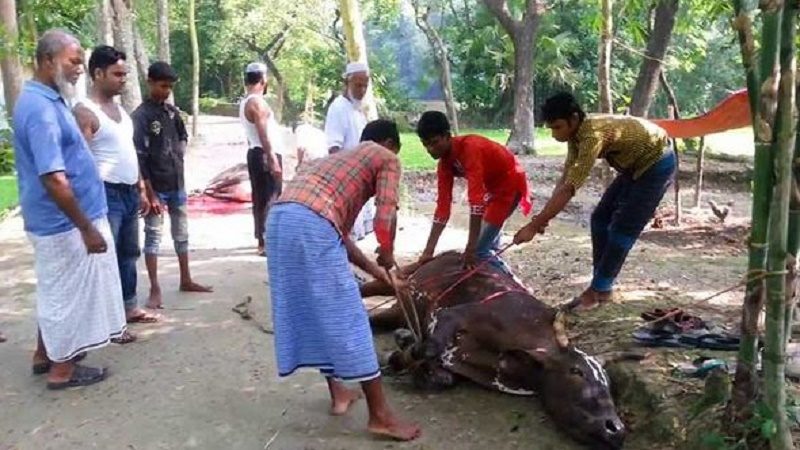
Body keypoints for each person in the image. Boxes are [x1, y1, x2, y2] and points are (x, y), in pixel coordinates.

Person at [265, 119, 421, 441]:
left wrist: (379, 275)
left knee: (316, 309)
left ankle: (339, 394)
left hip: (280, 222)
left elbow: (341, 238)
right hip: (310, 224)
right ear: (389, 143)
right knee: (348, 317)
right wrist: (388, 257)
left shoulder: (329, 164)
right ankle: (380, 416)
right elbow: (386, 213)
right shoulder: (387, 157)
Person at [13, 29, 127, 389]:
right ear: (48, 61)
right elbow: (54, 179)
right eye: (73, 61)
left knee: (56, 288)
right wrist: (86, 228)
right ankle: (63, 369)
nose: (80, 68)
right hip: (63, 223)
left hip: (64, 219)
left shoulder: (50, 98)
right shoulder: (40, 109)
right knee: (68, 294)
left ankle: (44, 354)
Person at [513, 92, 676, 311]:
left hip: (657, 163)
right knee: (600, 219)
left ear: (573, 119)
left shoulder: (591, 137)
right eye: (551, 128)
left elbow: (570, 188)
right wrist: (542, 219)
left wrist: (533, 226)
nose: (554, 135)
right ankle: (601, 286)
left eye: (558, 127)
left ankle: (597, 290)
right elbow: (565, 179)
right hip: (633, 167)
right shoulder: (576, 135)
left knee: (622, 229)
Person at [73, 45, 160, 346]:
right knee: (105, 259)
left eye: (125, 74)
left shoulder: (121, 111)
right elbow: (80, 162)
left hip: (127, 190)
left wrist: (140, 189)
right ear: (98, 74)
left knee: (128, 253)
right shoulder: (85, 111)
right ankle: (111, 324)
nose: (123, 79)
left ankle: (128, 307)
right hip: (104, 193)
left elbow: (128, 152)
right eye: (117, 74)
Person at [132, 61, 212, 309]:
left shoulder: (172, 112)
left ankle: (186, 278)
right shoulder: (140, 116)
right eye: (162, 85)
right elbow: (139, 157)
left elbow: (183, 136)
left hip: (176, 183)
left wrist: (178, 155)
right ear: (150, 82)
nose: (166, 90)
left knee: (182, 234)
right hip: (155, 188)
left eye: (169, 87)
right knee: (153, 236)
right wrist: (148, 192)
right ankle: (155, 288)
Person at [416, 111, 532, 271]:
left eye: (435, 142)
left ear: (447, 136)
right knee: (487, 242)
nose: (430, 149)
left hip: (510, 186)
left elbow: (476, 202)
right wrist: (428, 251)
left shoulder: (471, 148)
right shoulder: (444, 164)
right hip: (492, 190)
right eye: (425, 144)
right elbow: (442, 208)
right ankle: (492, 275)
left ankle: (514, 287)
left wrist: (470, 247)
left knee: (480, 252)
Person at [324, 61, 374, 240]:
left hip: (359, 177)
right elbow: (334, 148)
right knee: (346, 235)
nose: (361, 90)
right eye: (358, 85)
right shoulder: (338, 108)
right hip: (346, 178)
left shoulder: (357, 110)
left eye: (365, 86)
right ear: (347, 83)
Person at [239, 62, 284, 255]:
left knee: (261, 196)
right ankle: (267, 240)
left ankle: (262, 239)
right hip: (264, 152)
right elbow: (263, 132)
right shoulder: (256, 102)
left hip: (256, 152)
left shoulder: (245, 101)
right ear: (264, 80)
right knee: (270, 197)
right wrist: (272, 157)